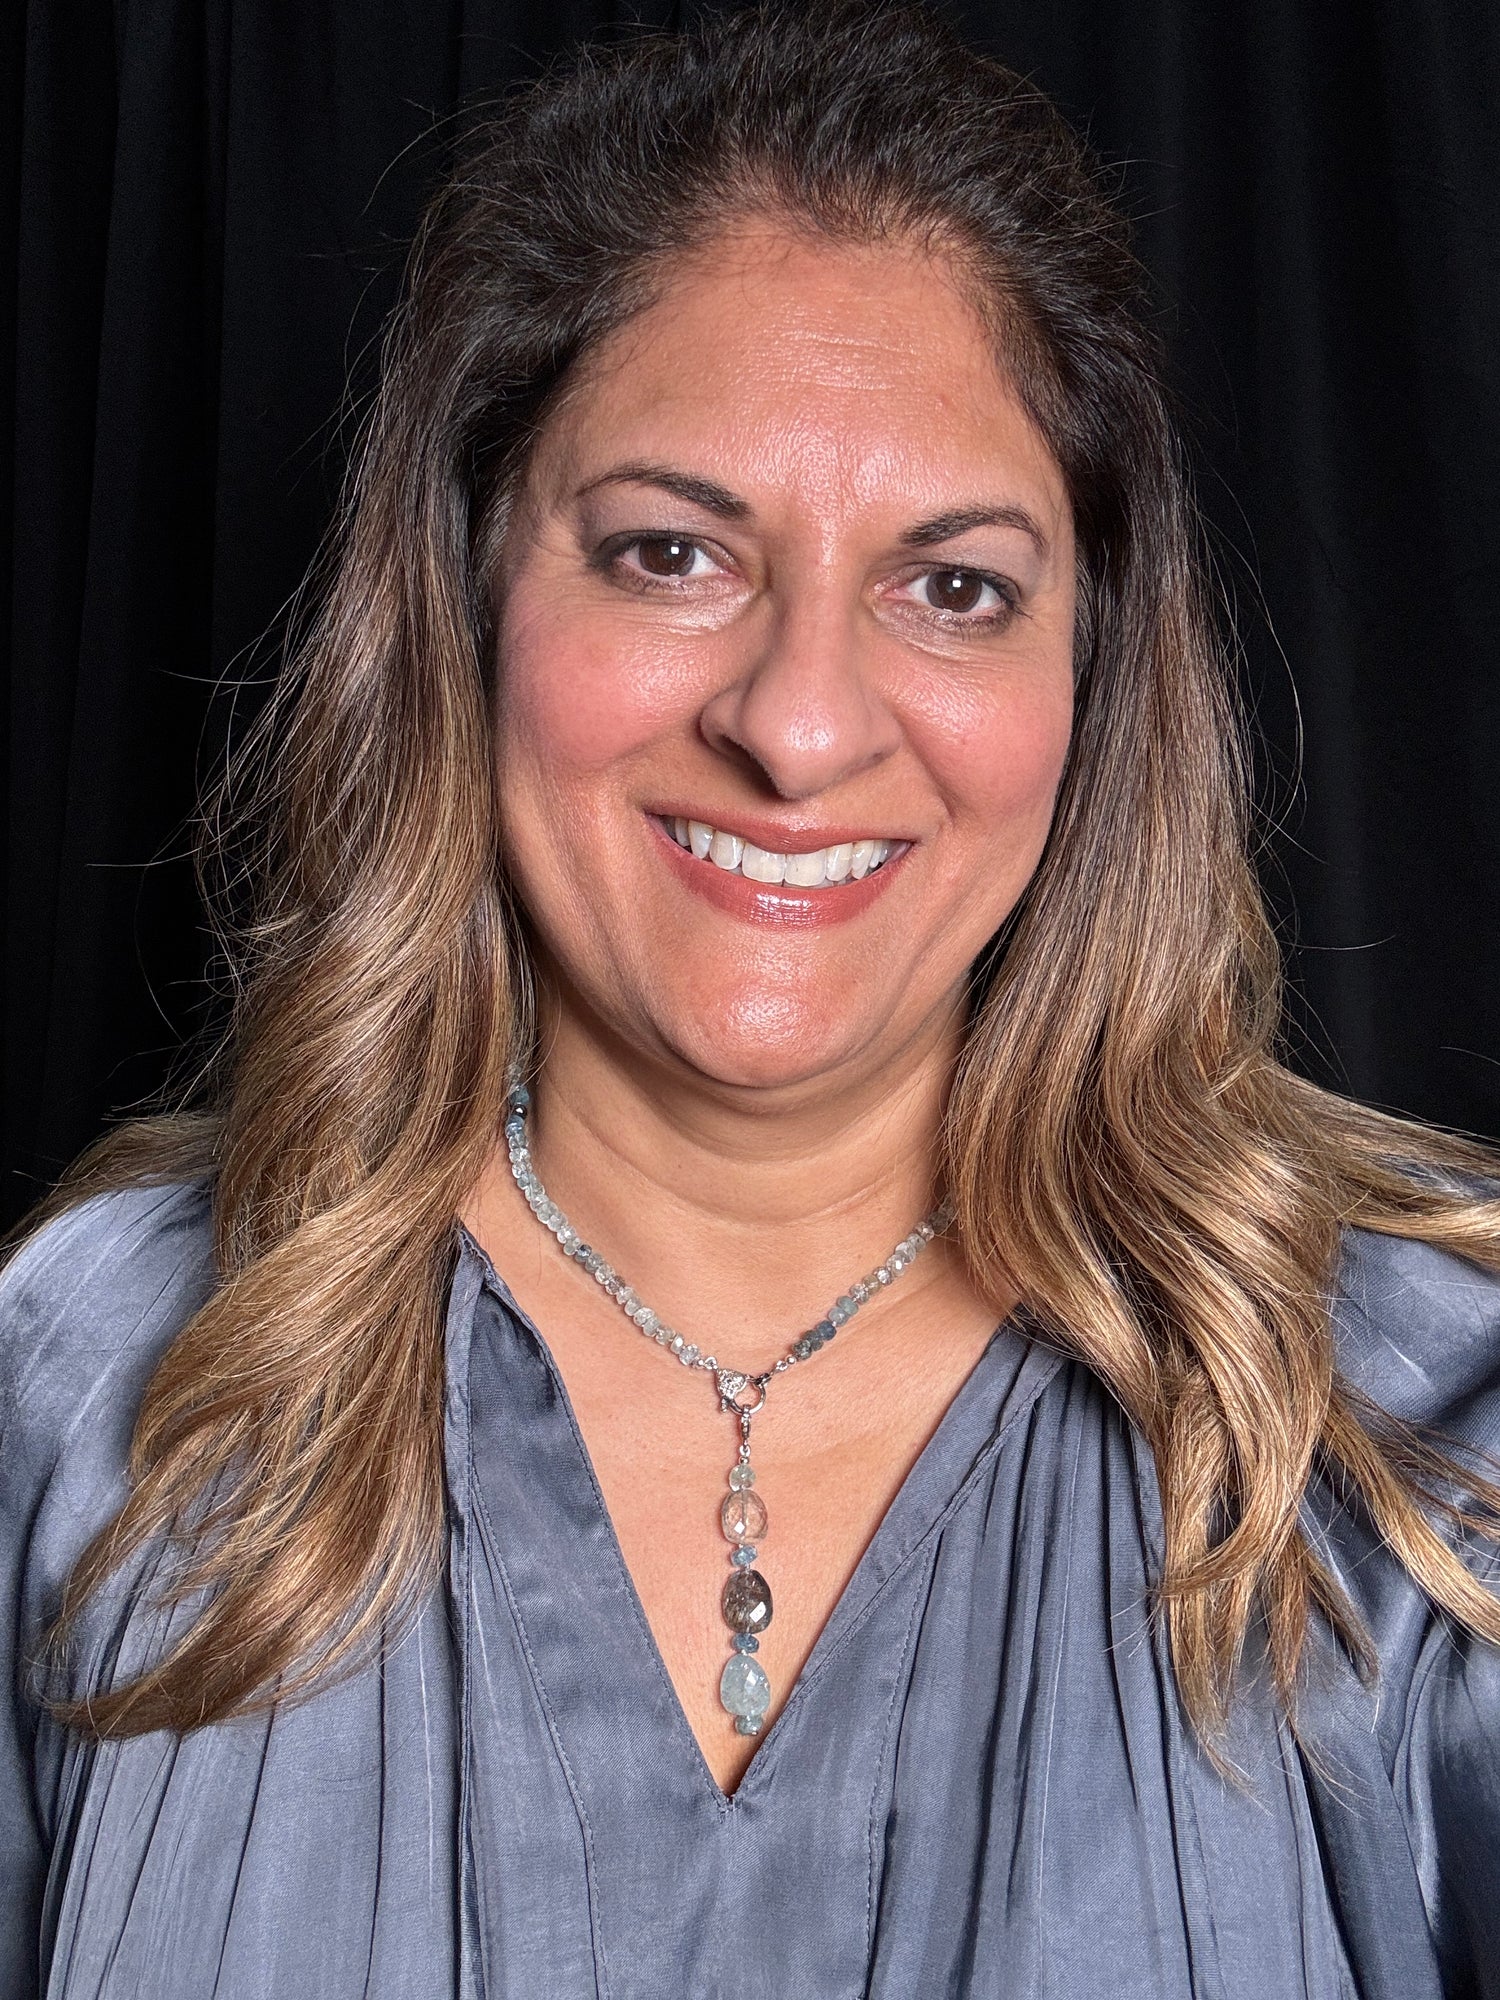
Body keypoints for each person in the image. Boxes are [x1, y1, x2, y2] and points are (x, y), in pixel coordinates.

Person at [3, 4, 1499, 1994]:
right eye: (671, 553)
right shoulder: (91, 1390)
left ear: (1093, 674)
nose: (798, 725)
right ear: (467, 600)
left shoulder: (1422, 1447)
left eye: (953, 586)